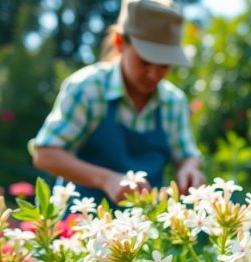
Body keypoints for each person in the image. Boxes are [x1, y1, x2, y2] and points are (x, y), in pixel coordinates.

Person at [30, 0, 204, 204]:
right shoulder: (88, 88)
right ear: (120, 43)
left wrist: (189, 169)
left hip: (146, 221)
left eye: (164, 65)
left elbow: (186, 155)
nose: (153, 74)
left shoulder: (174, 102)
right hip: (80, 218)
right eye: (145, 61)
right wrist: (107, 180)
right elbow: (45, 154)